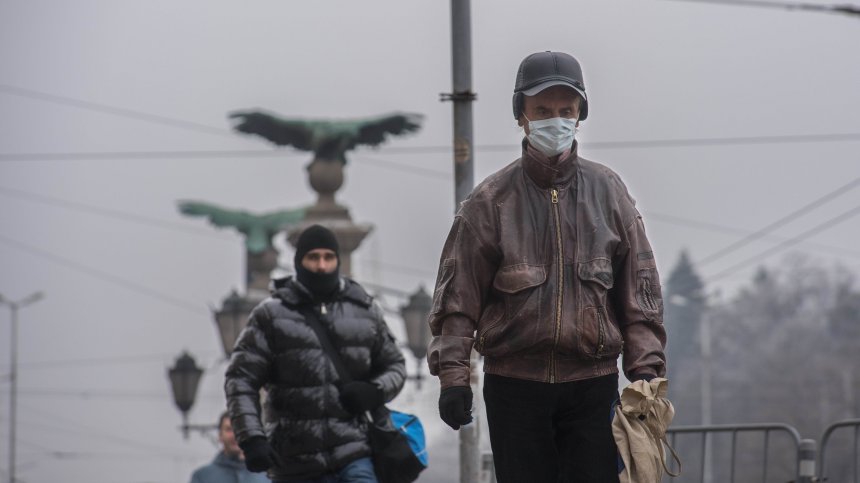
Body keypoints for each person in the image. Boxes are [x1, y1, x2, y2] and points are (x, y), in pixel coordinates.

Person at [427, 50, 668, 483]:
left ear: (580, 115)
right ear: (521, 116)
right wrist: (453, 378)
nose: (555, 121)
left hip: (592, 386)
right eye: (542, 110)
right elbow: (458, 301)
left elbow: (640, 293)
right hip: (514, 389)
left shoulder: (610, 193)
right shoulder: (489, 201)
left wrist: (645, 373)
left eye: (565, 110)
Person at [225, 224, 407, 483]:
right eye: (313, 257)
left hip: (355, 452)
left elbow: (395, 366)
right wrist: (252, 438)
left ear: (337, 261)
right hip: (294, 461)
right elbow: (241, 378)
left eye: (328, 257)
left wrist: (375, 391)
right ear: (299, 262)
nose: (322, 266)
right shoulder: (270, 315)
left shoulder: (365, 310)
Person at [189, 411, 271, 483]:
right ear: (220, 435)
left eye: (239, 429)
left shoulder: (267, 476)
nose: (234, 435)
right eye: (229, 429)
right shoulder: (202, 477)